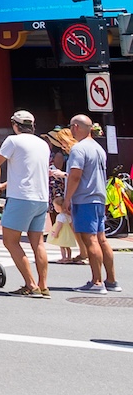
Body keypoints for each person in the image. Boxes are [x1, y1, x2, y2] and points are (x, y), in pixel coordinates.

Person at [0, 109, 54, 297]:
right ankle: (43, 285)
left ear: (15, 125)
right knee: (38, 244)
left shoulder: (13, 140)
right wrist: (4, 185)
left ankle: (30, 284)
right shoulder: (43, 144)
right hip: (41, 197)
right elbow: (29, 172)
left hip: (21, 198)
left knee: (11, 241)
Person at [64, 114, 120, 292]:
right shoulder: (98, 148)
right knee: (102, 239)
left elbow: (75, 175)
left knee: (91, 240)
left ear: (75, 127)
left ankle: (97, 282)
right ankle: (111, 280)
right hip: (98, 197)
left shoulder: (78, 149)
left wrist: (67, 199)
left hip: (84, 198)